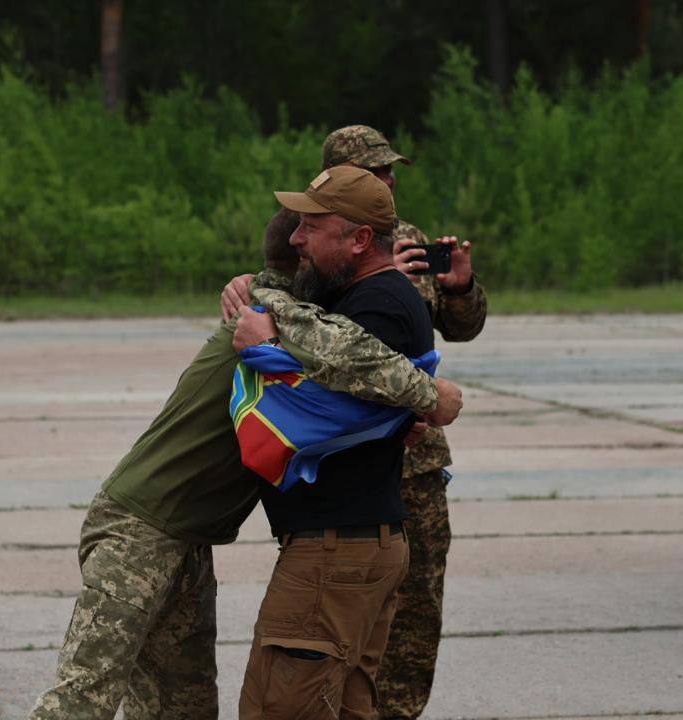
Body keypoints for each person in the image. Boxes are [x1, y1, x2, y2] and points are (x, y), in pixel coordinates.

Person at [27, 207, 462, 720]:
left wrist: (396, 420)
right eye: (304, 243)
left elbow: (336, 402)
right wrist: (430, 394)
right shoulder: (272, 334)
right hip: (137, 530)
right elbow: (356, 358)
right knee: (82, 697)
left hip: (184, 534)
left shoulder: (283, 329)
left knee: (181, 704)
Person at [221, 124, 487, 719]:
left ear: (362, 236)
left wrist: (272, 338)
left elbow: (349, 370)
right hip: (351, 531)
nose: (298, 239)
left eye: (309, 229)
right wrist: (259, 287)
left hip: (348, 539)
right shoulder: (344, 276)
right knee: (347, 700)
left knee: (282, 706)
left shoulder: (383, 295)